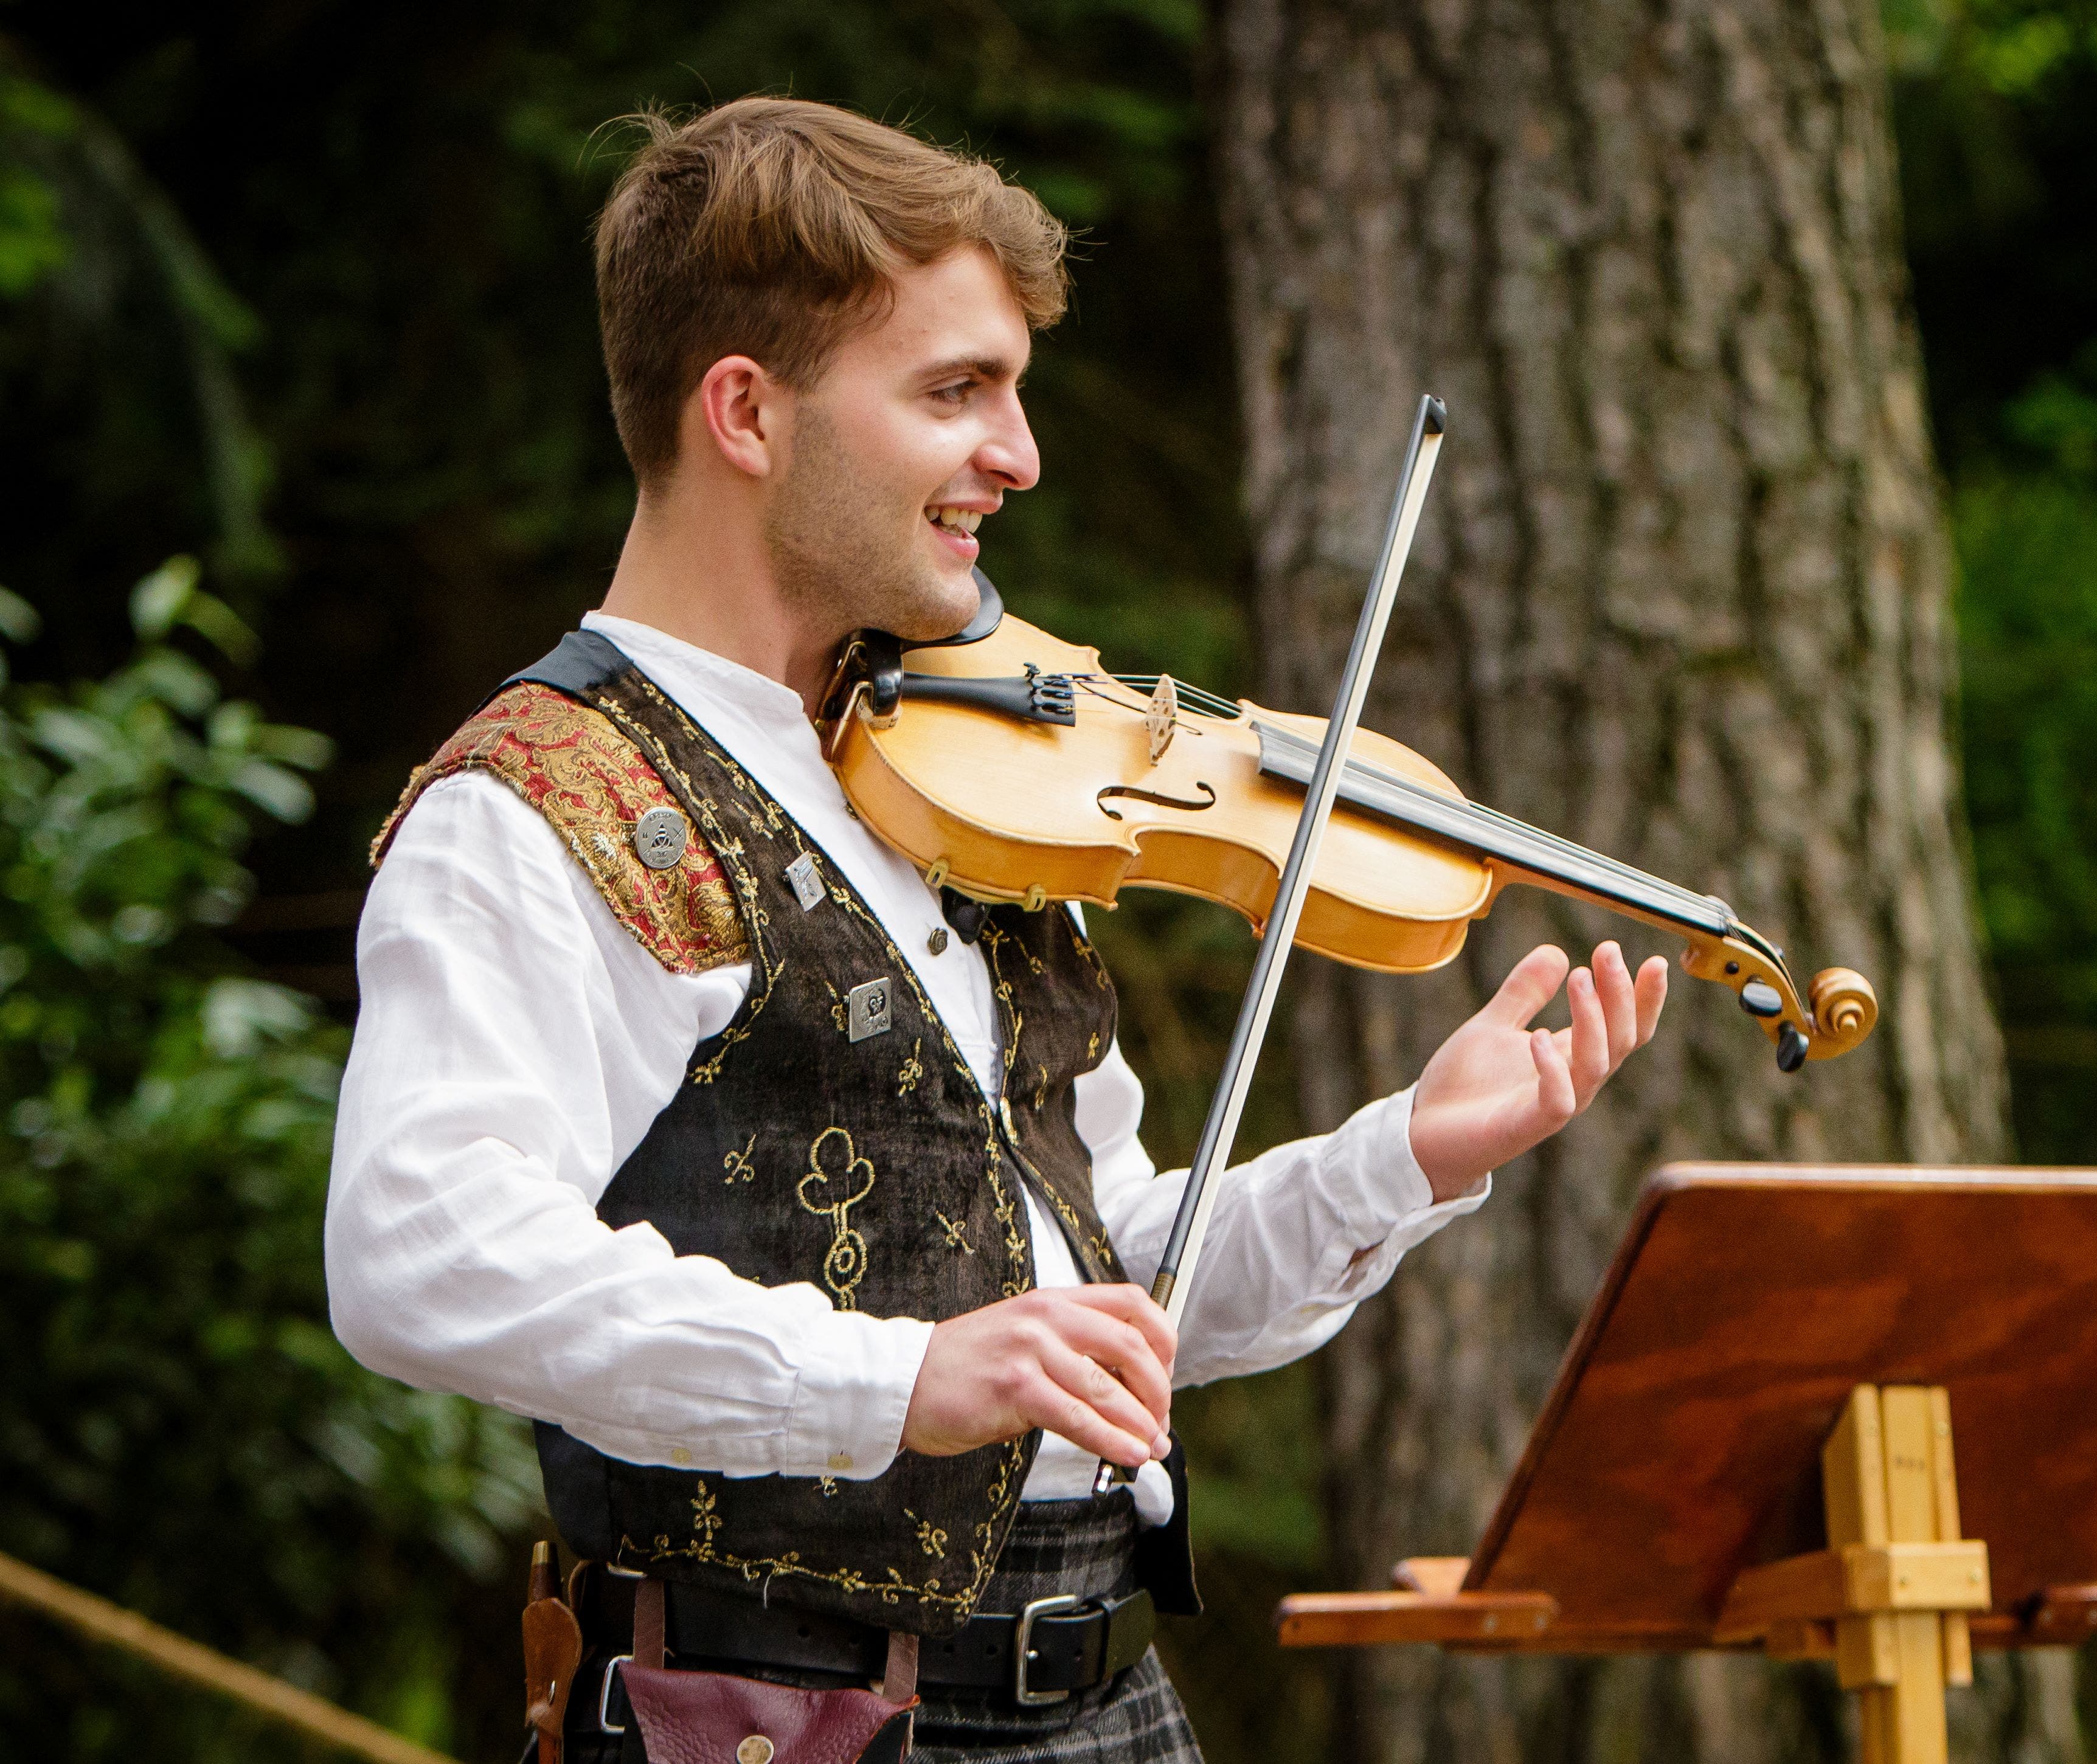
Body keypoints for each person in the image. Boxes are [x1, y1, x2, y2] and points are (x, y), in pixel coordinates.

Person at [324, 95, 1666, 1764]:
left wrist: (1400, 1160)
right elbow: (421, 1256)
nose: (1019, 457)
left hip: (1102, 1699)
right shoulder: (545, 807)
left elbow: (1097, 1280)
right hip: (773, 1722)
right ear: (744, 412)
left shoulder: (960, 778)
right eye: (955, 392)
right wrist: (893, 1382)